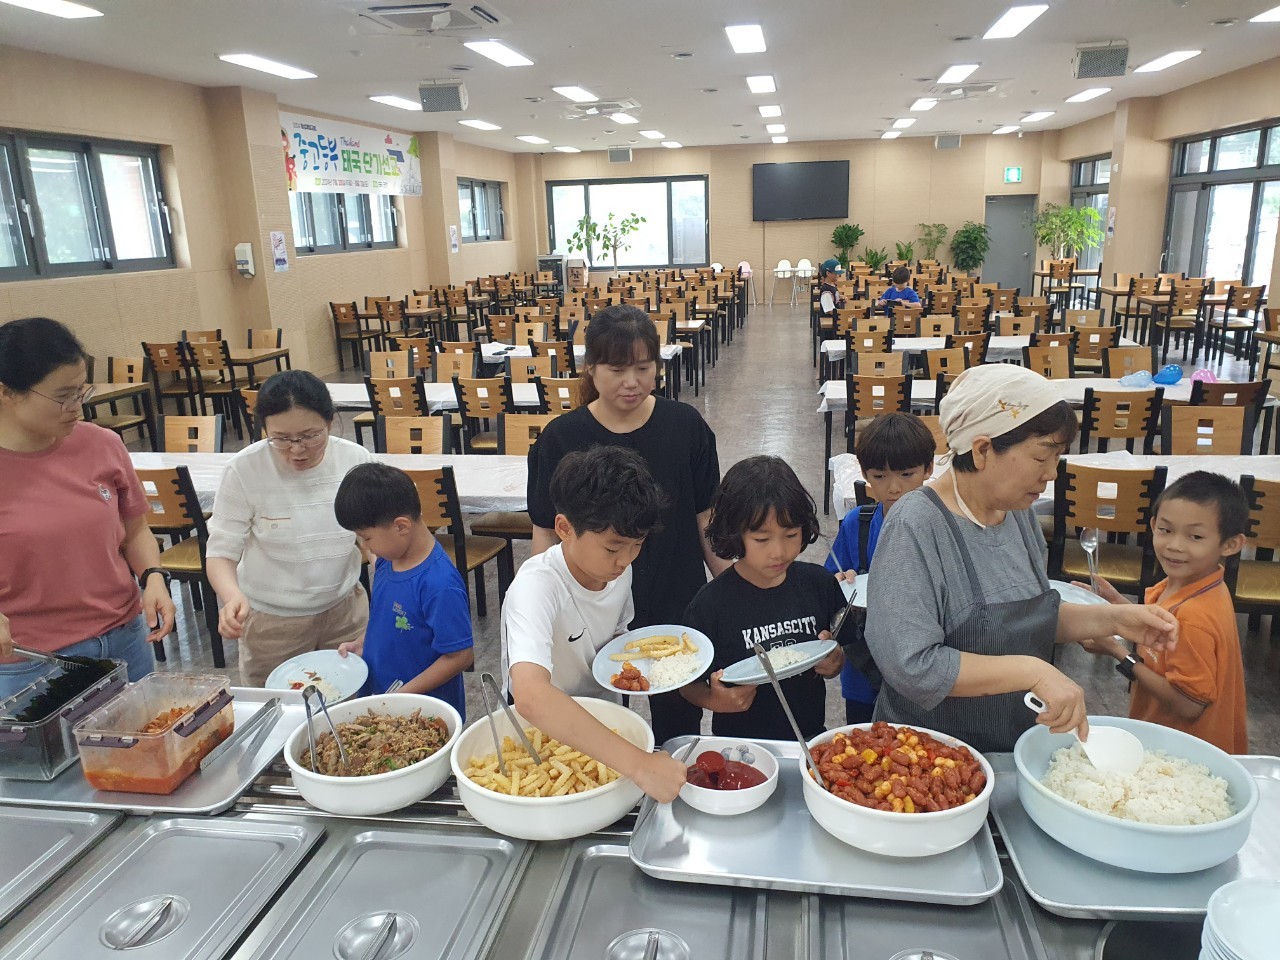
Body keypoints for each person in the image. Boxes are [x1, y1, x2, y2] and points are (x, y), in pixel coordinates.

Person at [864, 364, 1180, 753]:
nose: (1052, 474)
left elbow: (1028, 617)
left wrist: (1114, 619)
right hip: (930, 758)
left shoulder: (1016, 512)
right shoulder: (915, 525)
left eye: (1058, 457)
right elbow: (912, 666)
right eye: (1042, 456)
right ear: (982, 450)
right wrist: (1031, 672)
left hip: (1014, 739)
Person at [527, 304, 728, 744]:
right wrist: (548, 603)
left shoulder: (685, 426)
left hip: (674, 591)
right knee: (594, 725)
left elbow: (705, 516)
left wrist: (733, 587)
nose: (632, 381)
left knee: (679, 720)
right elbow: (545, 527)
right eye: (617, 370)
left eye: (643, 367)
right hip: (590, 604)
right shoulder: (561, 438)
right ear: (591, 369)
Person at [0, 317, 174, 699]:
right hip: (31, 661)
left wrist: (153, 576)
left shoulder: (101, 444)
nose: (77, 406)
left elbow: (135, 531)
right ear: (7, 393)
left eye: (82, 390)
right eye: (64, 395)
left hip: (124, 638)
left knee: (143, 735)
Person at [504, 446, 688, 803]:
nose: (625, 560)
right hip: (545, 736)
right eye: (613, 548)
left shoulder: (618, 571)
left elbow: (617, 637)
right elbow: (530, 696)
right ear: (565, 528)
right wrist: (641, 765)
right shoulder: (536, 586)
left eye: (637, 545)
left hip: (606, 724)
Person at [206, 370, 373, 687]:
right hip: (272, 624)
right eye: (281, 439)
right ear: (264, 429)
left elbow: (373, 538)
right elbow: (220, 553)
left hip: (345, 614)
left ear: (330, 422)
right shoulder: (244, 469)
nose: (297, 449)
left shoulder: (355, 460)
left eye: (311, 436)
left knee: (350, 705)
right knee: (278, 706)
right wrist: (232, 597)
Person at [1083, 472, 1249, 754]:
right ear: (1153, 525)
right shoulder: (1191, 586)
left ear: (1230, 545)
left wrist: (1118, 652)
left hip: (1186, 753)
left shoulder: (1194, 616)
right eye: (1165, 530)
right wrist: (1118, 605)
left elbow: (1189, 705)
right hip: (1171, 742)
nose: (1175, 545)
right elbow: (1158, 637)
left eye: (1195, 536)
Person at [681, 456, 845, 741]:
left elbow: (839, 649)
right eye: (761, 539)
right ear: (734, 534)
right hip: (740, 746)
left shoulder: (819, 584)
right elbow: (686, 682)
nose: (778, 552)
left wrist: (835, 662)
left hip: (810, 740)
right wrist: (712, 699)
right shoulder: (709, 606)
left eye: (791, 534)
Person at [334, 462, 473, 718]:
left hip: (422, 712)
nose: (364, 546)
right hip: (383, 698)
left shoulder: (439, 584)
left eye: (366, 537)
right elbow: (389, 620)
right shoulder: (388, 560)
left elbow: (461, 656)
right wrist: (363, 644)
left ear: (401, 526)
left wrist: (402, 696)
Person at [825, 413, 936, 723]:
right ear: (864, 474)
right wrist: (839, 582)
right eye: (880, 476)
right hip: (864, 671)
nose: (894, 487)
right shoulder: (857, 524)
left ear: (928, 468)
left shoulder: (940, 529)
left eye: (907, 474)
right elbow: (826, 588)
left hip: (923, 671)